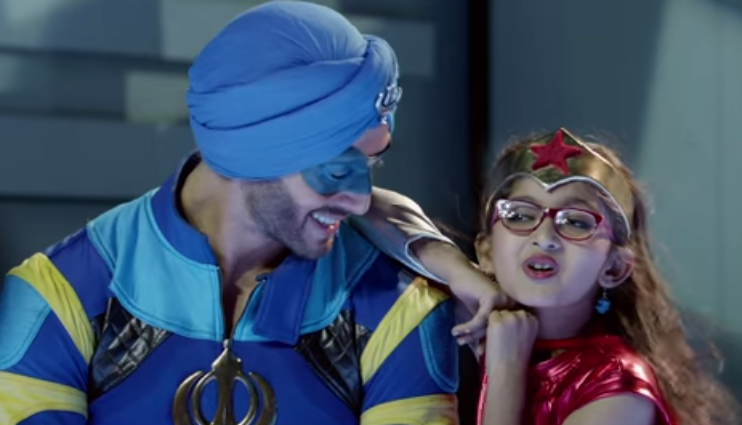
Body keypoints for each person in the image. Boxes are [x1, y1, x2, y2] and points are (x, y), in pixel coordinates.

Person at [0, 2, 501, 424]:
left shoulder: (400, 307)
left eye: (372, 162)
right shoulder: (57, 295)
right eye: (335, 170)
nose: (361, 200)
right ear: (252, 156)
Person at [372, 128, 740, 425]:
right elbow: (364, 202)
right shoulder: (479, 315)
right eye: (519, 216)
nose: (544, 237)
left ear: (613, 268)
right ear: (487, 251)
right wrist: (459, 271)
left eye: (576, 222)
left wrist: (505, 372)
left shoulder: (618, 386)